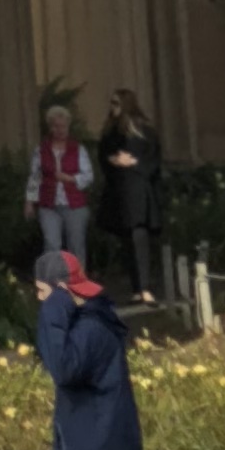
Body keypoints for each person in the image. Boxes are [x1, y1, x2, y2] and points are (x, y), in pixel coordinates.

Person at [35, 247, 145, 450]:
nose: (40, 300)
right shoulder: (96, 322)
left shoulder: (89, 329)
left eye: (42, 291)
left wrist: (54, 308)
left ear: (59, 289)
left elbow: (63, 369)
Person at [94, 91, 163, 302]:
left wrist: (134, 163)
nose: (112, 107)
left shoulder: (144, 129)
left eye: (116, 103)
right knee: (126, 241)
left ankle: (145, 287)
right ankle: (136, 287)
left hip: (138, 192)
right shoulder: (110, 131)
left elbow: (154, 159)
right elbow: (103, 155)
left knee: (139, 238)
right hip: (119, 191)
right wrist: (114, 160)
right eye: (111, 102)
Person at [31, 105, 98, 270]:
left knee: (76, 245)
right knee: (51, 244)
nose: (60, 130)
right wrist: (29, 201)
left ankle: (77, 281)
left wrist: (71, 179)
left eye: (63, 126)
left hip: (74, 204)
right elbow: (35, 177)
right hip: (49, 204)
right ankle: (52, 281)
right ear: (50, 127)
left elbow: (88, 176)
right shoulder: (41, 150)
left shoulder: (78, 149)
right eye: (56, 126)